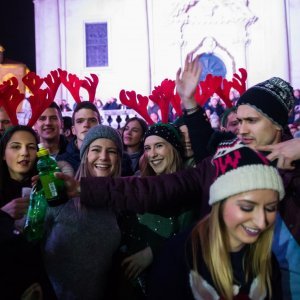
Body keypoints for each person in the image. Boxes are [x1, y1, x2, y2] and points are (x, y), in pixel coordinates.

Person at [55, 56, 300, 299]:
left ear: (277, 124)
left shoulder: (295, 164)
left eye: (252, 121)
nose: (242, 130)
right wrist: (83, 188)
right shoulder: (222, 161)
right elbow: (156, 188)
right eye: (240, 120)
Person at [148, 138, 284, 299]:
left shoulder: (266, 260)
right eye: (247, 207)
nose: (262, 222)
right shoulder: (181, 256)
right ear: (220, 203)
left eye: (270, 208)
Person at [117, 123, 198, 299]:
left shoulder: (191, 187)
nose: (152, 154)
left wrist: (153, 251)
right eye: (147, 148)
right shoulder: (141, 184)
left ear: (175, 148)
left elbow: (193, 236)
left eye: (159, 146)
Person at [42, 125, 123, 299]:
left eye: (111, 151)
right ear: (85, 155)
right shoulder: (60, 195)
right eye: (96, 150)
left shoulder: (121, 202)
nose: (104, 157)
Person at [0, 125, 56, 299]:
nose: (24, 153)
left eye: (31, 147)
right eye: (16, 146)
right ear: (3, 153)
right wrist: (2, 215)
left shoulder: (46, 181)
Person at [56, 101, 101, 173]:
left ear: (100, 127)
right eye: (80, 121)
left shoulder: (117, 157)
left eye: (92, 120)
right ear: (73, 130)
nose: (86, 125)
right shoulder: (61, 161)